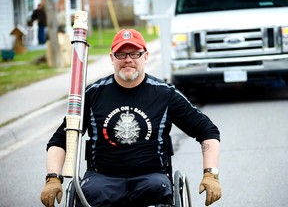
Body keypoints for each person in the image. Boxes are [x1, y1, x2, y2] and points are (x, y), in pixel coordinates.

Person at [40, 29, 222, 207]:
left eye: (135, 53)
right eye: (121, 54)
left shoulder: (165, 94)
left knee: (157, 188)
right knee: (91, 193)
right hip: (102, 178)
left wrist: (210, 174)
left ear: (145, 56)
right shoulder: (93, 95)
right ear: (112, 58)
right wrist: (53, 178)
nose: (128, 59)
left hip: (151, 176)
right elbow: (61, 139)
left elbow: (207, 130)